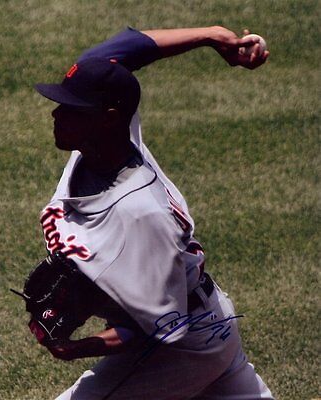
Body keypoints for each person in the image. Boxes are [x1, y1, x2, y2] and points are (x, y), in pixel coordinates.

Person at [34, 26, 273, 399]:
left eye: (71, 108)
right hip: (206, 315)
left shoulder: (141, 214)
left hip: (186, 342)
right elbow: (129, 49)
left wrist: (77, 348)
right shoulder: (105, 133)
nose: (56, 112)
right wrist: (211, 36)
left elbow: (158, 326)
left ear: (109, 117)